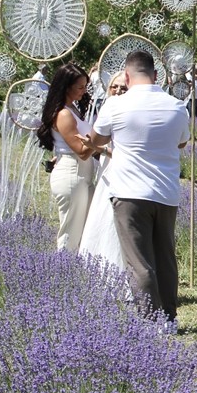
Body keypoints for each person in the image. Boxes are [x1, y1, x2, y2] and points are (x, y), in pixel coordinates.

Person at [80, 50, 190, 329]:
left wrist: (94, 142)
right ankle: (169, 318)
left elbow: (97, 139)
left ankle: (151, 320)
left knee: (139, 260)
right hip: (166, 191)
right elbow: (181, 143)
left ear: (127, 77)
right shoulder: (177, 106)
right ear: (156, 75)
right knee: (165, 257)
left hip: (129, 192)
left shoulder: (116, 105)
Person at [35, 63, 95, 252]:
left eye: (85, 86)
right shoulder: (63, 114)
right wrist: (100, 136)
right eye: (80, 87)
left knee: (83, 231)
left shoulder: (73, 109)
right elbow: (82, 151)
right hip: (72, 173)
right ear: (66, 87)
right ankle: (63, 268)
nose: (84, 91)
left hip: (82, 174)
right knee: (70, 234)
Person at [78, 73, 128, 285]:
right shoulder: (107, 108)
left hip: (119, 170)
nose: (117, 91)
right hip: (106, 170)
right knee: (101, 217)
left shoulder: (128, 112)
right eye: (114, 87)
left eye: (123, 88)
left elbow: (125, 153)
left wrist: (97, 148)